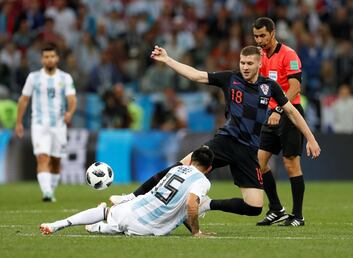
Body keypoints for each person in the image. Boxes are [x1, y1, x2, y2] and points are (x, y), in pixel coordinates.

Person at [109, 45, 320, 220]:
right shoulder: (230, 79)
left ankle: (206, 205)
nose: (245, 67)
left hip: (248, 151)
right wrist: (168, 60)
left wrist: (310, 138)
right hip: (225, 141)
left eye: (249, 63)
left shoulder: (269, 86)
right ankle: (132, 197)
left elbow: (292, 111)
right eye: (242, 63)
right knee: (179, 168)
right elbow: (196, 75)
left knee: (255, 207)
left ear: (259, 64)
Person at [40, 147, 214, 237]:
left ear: (190, 160)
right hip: (146, 229)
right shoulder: (202, 181)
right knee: (122, 227)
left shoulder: (174, 170)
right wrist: (196, 232)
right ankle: (99, 227)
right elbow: (191, 204)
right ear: (209, 168)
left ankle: (58, 224)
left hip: (132, 210)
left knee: (107, 212)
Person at [252, 17, 309, 226]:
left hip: (290, 112)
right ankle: (276, 209)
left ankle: (298, 216)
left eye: (262, 36)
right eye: (256, 36)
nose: (259, 40)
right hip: (270, 114)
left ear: (272, 33)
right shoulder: (260, 56)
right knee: (259, 162)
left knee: (290, 163)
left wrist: (277, 108)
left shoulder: (289, 54)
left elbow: (295, 87)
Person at [15, 43, 77, 202]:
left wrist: (70, 112)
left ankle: (51, 190)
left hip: (59, 125)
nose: (49, 59)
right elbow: (24, 100)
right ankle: (47, 192)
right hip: (39, 124)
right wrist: (19, 122)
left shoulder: (65, 78)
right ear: (42, 59)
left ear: (57, 58)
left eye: (52, 56)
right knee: (43, 157)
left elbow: (72, 99)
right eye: (46, 57)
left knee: (56, 160)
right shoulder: (33, 77)